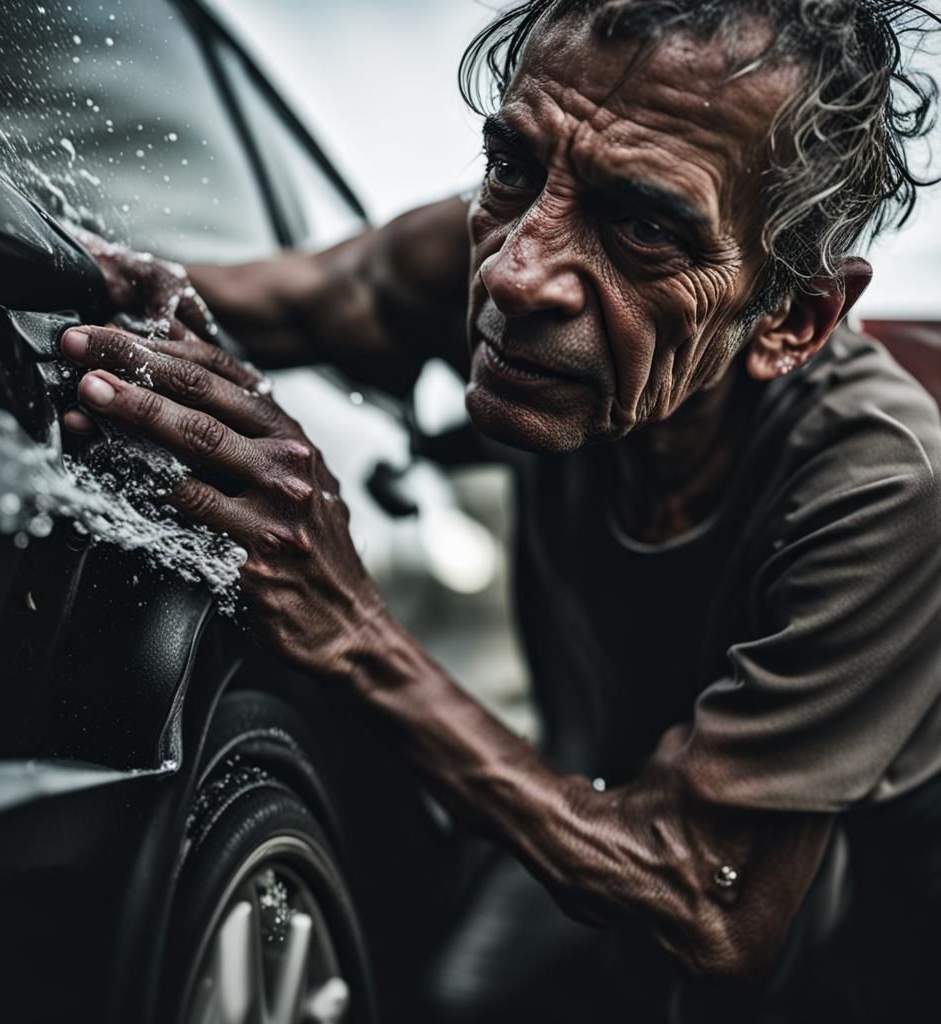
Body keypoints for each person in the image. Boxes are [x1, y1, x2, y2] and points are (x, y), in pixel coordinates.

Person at [59, 1, 941, 1020]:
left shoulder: (878, 483)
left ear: (794, 318)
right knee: (454, 995)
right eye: (512, 166)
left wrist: (352, 631)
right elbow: (232, 299)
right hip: (606, 796)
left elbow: (715, 905)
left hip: (858, 939)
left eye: (647, 227)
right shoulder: (515, 246)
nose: (515, 273)